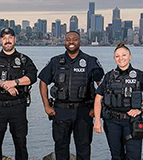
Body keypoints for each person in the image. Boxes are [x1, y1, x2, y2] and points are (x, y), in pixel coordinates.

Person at [38, 31, 104, 160]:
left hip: (84, 111)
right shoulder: (55, 61)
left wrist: (96, 110)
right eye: (68, 39)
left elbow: (102, 86)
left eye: (74, 39)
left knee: (84, 147)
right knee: (61, 146)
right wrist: (46, 106)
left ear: (80, 42)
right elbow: (43, 82)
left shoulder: (90, 61)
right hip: (61, 111)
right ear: (64, 42)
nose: (71, 42)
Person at [93, 42, 143, 160]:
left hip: (133, 122)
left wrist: (140, 109)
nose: (120, 58)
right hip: (112, 122)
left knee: (134, 157)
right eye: (117, 56)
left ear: (130, 56)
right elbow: (98, 98)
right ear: (114, 58)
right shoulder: (108, 76)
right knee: (116, 156)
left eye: (124, 55)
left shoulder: (139, 75)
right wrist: (97, 121)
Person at [0, 27, 37, 160]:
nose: (7, 41)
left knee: (20, 142)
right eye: (4, 38)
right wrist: (5, 85)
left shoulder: (24, 60)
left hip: (18, 106)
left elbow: (33, 77)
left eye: (10, 38)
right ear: (0, 41)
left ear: (15, 39)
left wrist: (15, 82)